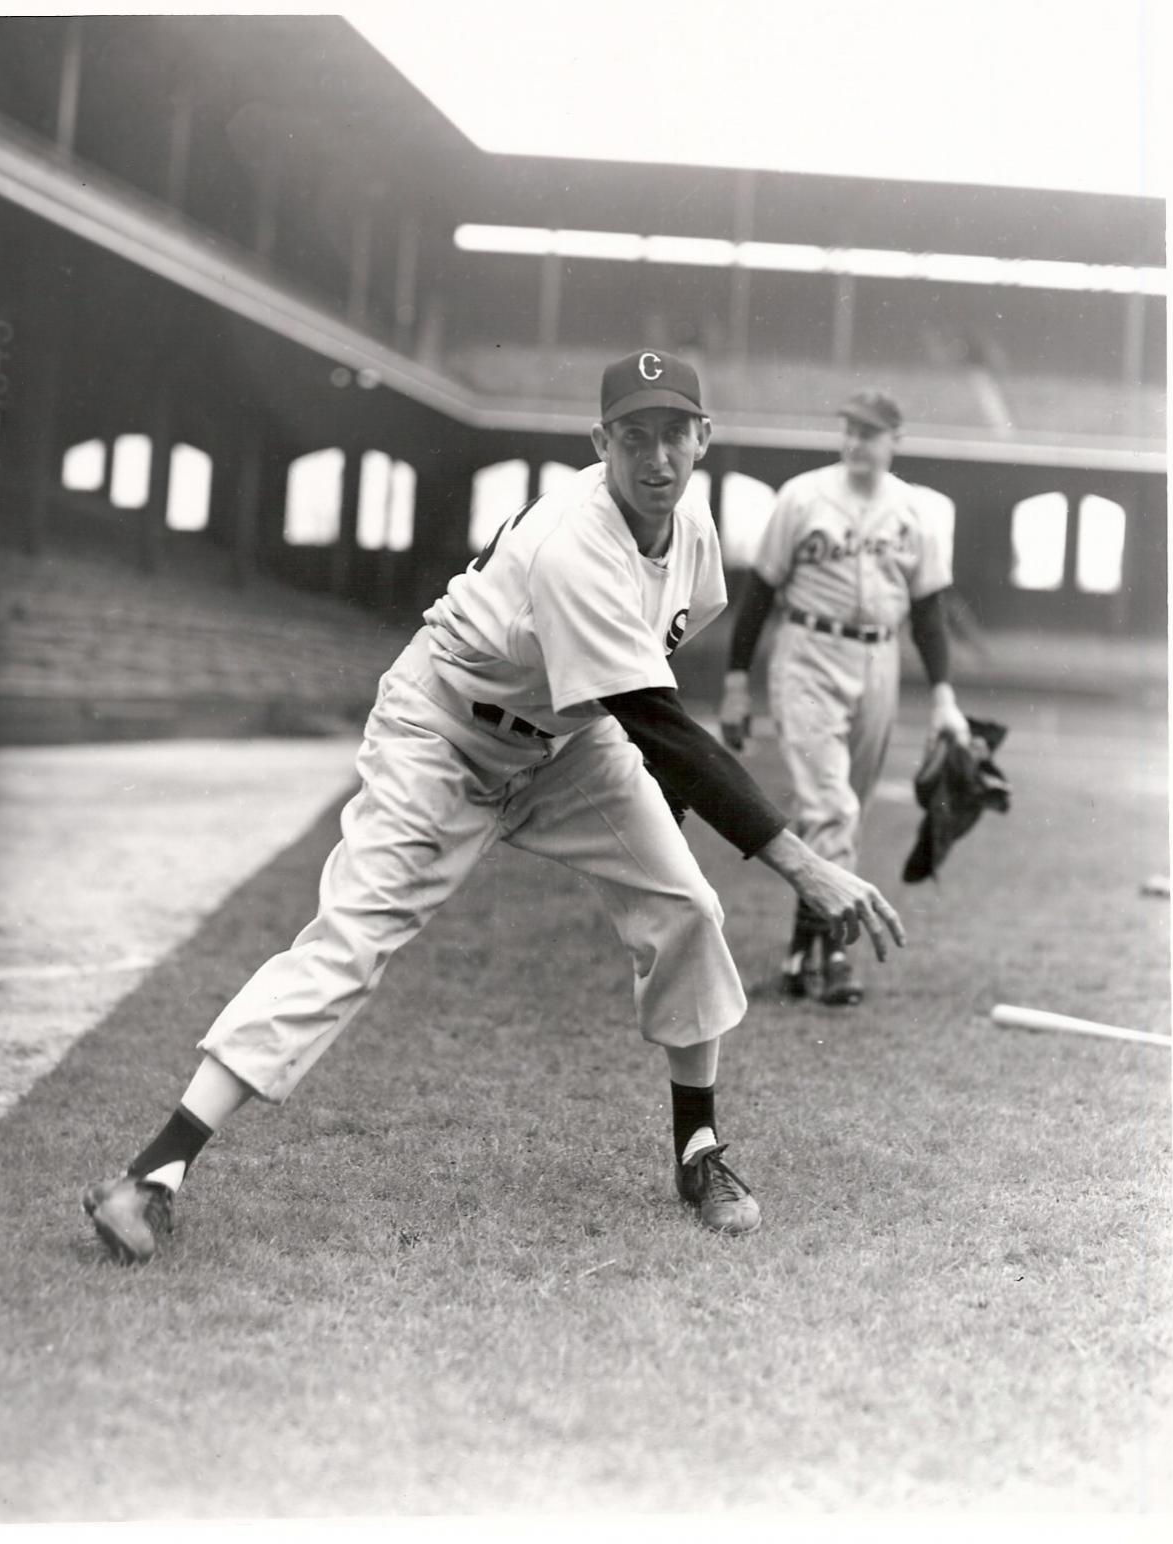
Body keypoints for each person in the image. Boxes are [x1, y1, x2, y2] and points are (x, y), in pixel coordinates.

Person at [83, 350, 905, 1265]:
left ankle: (698, 1151)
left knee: (686, 907)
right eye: (634, 436)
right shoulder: (574, 541)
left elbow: (649, 677)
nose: (657, 456)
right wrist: (802, 862)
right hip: (441, 729)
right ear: (599, 442)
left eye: (675, 433)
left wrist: (660, 788)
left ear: (703, 438)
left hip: (567, 739)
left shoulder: (694, 533)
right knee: (352, 939)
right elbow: (657, 716)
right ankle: (152, 1174)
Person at [718, 388, 968, 1008]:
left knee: (838, 809)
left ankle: (797, 953)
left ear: (895, 440)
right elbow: (759, 594)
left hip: (881, 658)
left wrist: (943, 697)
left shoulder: (914, 511)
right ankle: (835, 952)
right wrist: (735, 683)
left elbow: (929, 612)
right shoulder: (801, 497)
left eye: (870, 432)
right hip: (808, 652)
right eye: (849, 429)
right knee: (832, 807)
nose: (856, 441)